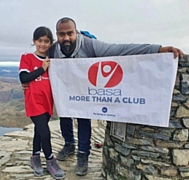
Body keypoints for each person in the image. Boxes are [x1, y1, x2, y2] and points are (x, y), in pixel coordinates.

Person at [46, 17, 184, 176]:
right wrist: (26, 80)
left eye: (70, 33)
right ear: (57, 35)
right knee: (64, 115)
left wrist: (157, 49)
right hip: (66, 89)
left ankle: (83, 155)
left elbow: (120, 49)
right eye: (62, 34)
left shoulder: (90, 45)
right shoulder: (53, 49)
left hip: (85, 90)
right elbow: (39, 62)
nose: (66, 38)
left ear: (76, 32)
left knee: (83, 118)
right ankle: (69, 144)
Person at [19, 26, 65, 179]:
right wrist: (42, 68)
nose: (43, 44)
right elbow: (24, 78)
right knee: (45, 132)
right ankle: (50, 160)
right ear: (34, 41)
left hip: (47, 102)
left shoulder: (53, 60)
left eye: (46, 41)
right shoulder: (27, 57)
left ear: (51, 42)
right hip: (34, 102)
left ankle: (35, 157)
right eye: (40, 41)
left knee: (39, 132)